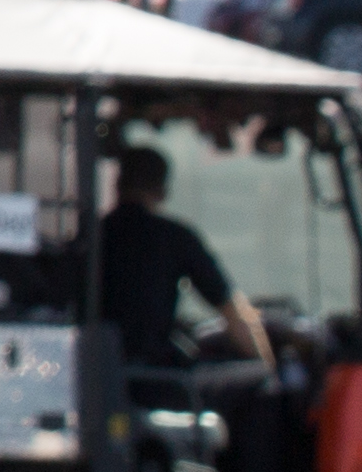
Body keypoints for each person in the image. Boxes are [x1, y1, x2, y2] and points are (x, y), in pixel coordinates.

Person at [96, 142, 270, 370]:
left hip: (94, 371)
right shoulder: (175, 238)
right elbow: (231, 312)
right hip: (156, 381)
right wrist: (267, 368)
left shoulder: (92, 236)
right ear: (163, 191)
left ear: (116, 185)